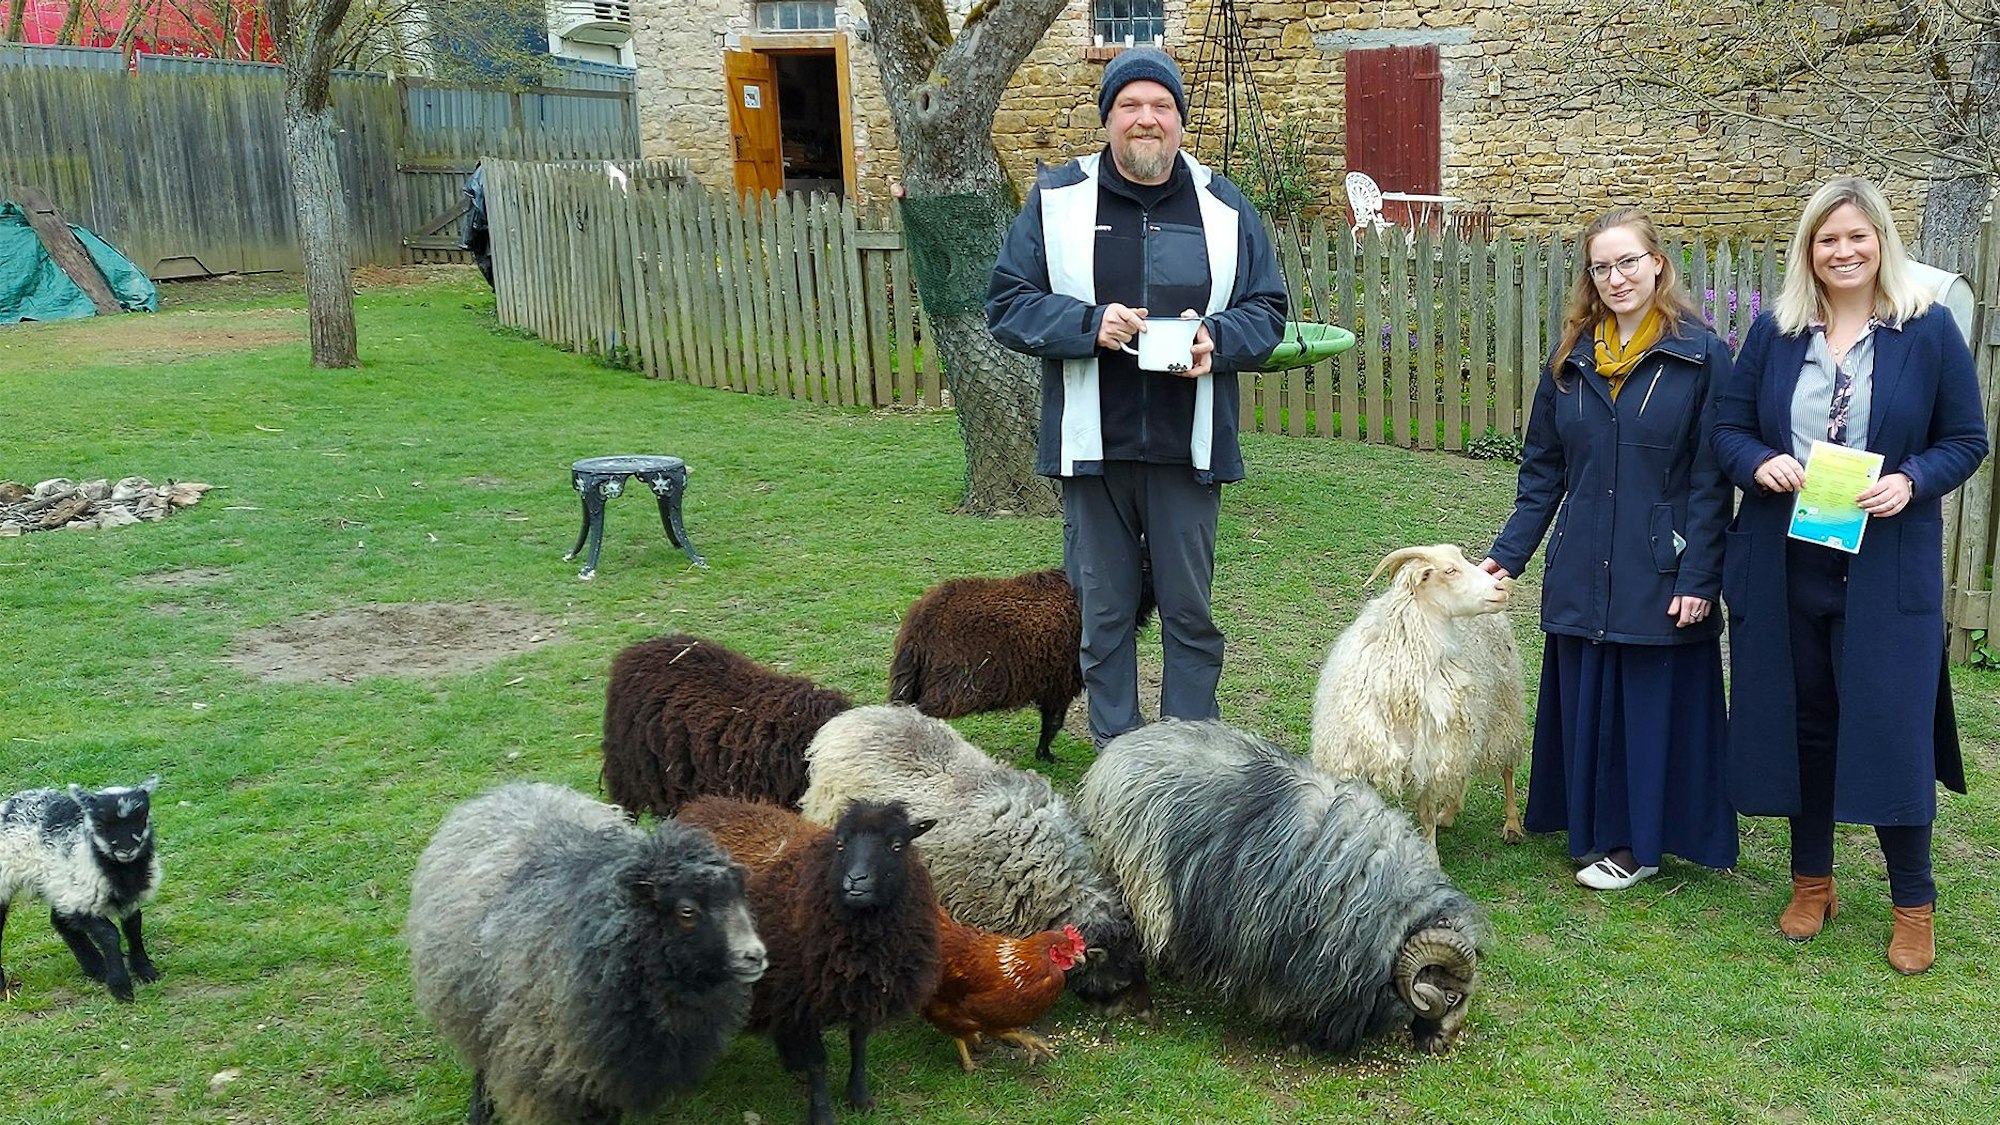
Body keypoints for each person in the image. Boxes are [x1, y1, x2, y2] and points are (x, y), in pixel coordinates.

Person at [1711, 176, 1987, 974]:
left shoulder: (1926, 332)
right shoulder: (1775, 331)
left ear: (1882, 243)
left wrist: (1911, 480)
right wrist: (1759, 461)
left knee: (1894, 730)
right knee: (1808, 724)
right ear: (1809, 250)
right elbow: (1729, 429)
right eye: (1827, 239)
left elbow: (1966, 439)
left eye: (1857, 238)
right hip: (1787, 561)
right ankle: (1812, 881)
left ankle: (1913, 903)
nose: (1843, 252)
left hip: (1885, 568)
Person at [986, 47, 1287, 748]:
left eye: (1161, 106)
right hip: (1094, 449)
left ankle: (1184, 768)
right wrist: (1091, 324)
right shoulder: (1059, 199)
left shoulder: (1223, 203)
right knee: (1104, 615)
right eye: (1130, 105)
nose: (1146, 119)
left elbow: (1267, 310)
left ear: (1180, 120)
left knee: (1189, 616)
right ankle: (1119, 760)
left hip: (1190, 447)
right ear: (1109, 118)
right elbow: (1007, 304)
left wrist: (1216, 337)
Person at [1482, 208, 1738, 890]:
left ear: (1658, 262)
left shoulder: (1702, 355)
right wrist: (1506, 555)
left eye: (1628, 261)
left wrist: (1699, 576)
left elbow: (1713, 483)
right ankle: (1592, 826)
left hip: (1661, 567)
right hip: (1583, 563)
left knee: (1646, 707)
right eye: (1602, 266)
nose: (1617, 277)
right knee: (1592, 697)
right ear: (1590, 278)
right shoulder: (1573, 357)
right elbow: (1543, 471)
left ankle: (1638, 844)